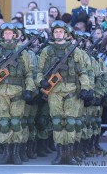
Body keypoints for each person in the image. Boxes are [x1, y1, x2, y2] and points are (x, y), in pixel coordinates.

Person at [37, 21, 90, 165]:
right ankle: (60, 154)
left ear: (66, 34)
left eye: (61, 32)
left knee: (71, 123)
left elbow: (83, 72)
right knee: (58, 123)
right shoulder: (46, 51)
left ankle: (70, 154)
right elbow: (40, 71)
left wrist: (85, 88)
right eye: (56, 32)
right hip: (54, 92)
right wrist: (41, 81)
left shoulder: (75, 51)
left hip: (72, 91)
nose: (58, 34)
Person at [0, 23, 35, 165]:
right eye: (5, 33)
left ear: (14, 35)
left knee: (16, 122)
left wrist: (29, 90)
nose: (7, 35)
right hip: (0, 92)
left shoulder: (22, 52)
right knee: (5, 123)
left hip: (18, 91)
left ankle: (16, 153)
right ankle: (7, 153)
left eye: (10, 33)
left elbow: (29, 73)